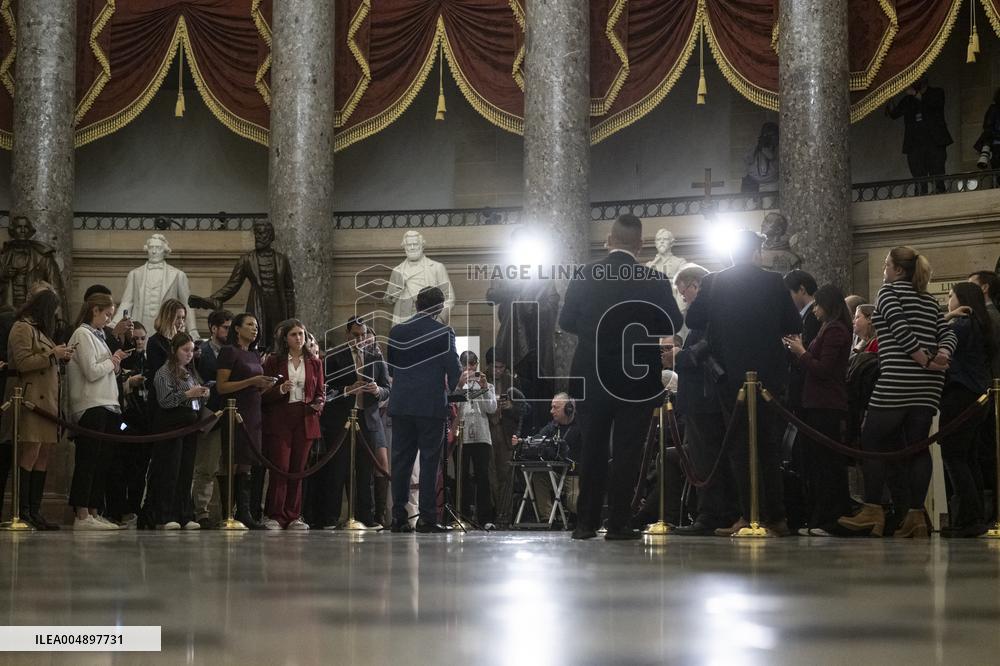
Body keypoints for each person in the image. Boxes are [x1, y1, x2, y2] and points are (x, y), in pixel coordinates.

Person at [560, 213, 682, 540]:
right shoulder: (654, 279)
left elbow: (567, 321)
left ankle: (585, 524)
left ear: (609, 240)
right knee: (628, 451)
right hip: (636, 376)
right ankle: (618, 524)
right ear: (641, 245)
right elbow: (670, 324)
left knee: (592, 448)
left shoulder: (586, 274)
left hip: (591, 372)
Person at [685, 229, 802, 537]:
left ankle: (747, 517)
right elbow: (794, 324)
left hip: (730, 378)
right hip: (769, 379)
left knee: (739, 450)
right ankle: (776, 518)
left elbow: (693, 321)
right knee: (769, 448)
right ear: (757, 253)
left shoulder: (713, 281)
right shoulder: (774, 282)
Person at [838, 247, 957, 538]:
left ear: (898, 270)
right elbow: (949, 332)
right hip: (928, 387)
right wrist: (940, 355)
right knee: (917, 447)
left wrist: (925, 360)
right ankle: (915, 515)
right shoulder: (929, 300)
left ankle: (872, 509)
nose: (883, 269)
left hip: (897, 382)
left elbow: (901, 330)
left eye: (886, 264)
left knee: (872, 441)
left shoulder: (889, 294)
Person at [670, 264, 738, 536]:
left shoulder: (706, 316)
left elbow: (703, 351)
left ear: (695, 284)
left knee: (705, 461)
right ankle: (716, 513)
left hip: (704, 399)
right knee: (707, 459)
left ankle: (710, 515)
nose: (682, 296)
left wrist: (679, 355)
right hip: (706, 399)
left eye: (683, 289)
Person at [387, 287, 461, 533]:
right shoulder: (444, 332)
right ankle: (427, 518)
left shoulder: (397, 330)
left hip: (401, 404)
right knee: (430, 463)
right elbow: (454, 368)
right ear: (439, 307)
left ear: (417, 305)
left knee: (400, 462)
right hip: (429, 405)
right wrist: (452, 388)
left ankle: (399, 516)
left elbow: (391, 366)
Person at [784, 285, 853, 536]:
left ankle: (830, 520)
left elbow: (823, 369)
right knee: (816, 463)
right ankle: (819, 518)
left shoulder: (835, 330)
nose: (814, 310)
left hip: (826, 405)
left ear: (828, 305)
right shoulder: (827, 328)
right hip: (816, 403)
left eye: (817, 305)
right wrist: (799, 350)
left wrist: (801, 351)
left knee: (826, 465)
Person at [3, 288, 73, 529]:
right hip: (30, 398)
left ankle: (35, 510)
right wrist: (53, 354)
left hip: (47, 402)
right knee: (30, 453)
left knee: (43, 455)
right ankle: (22, 511)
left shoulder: (40, 331)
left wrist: (59, 356)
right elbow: (22, 363)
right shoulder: (22, 328)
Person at [317, 317, 391, 530]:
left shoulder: (375, 357)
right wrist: (347, 390)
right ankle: (331, 518)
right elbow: (323, 389)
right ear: (347, 334)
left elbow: (387, 388)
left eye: (363, 335)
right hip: (340, 419)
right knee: (337, 468)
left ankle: (366, 518)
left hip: (367, 418)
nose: (360, 339)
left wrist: (377, 391)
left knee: (365, 469)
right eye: (355, 334)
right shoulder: (333, 357)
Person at [66, 292, 131, 530]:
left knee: (103, 462)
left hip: (107, 403)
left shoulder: (100, 336)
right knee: (88, 460)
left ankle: (93, 510)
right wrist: (112, 361)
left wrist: (115, 363)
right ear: (94, 310)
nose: (108, 319)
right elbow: (91, 371)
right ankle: (81, 513)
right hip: (90, 404)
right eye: (106, 314)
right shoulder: (82, 334)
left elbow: (105, 371)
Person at [188, 220, 295, 349]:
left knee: (278, 343)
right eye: (257, 234)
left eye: (263, 234)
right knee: (256, 341)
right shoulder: (247, 259)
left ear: (271, 236)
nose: (259, 237)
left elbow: (289, 291)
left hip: (278, 305)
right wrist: (212, 299)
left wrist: (291, 320)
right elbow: (233, 285)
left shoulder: (282, 259)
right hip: (257, 304)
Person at [215, 313, 278, 529]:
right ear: (237, 329)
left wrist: (263, 386)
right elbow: (222, 386)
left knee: (246, 463)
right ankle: (227, 513)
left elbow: (252, 385)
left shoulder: (253, 354)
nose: (255, 329)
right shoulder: (228, 351)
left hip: (253, 410)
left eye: (257, 326)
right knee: (232, 460)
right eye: (250, 325)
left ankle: (244, 512)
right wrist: (251, 380)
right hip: (235, 410)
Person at [939, 283, 992, 537]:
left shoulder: (961, 325)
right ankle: (975, 516)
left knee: (954, 456)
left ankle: (968, 519)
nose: (949, 301)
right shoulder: (980, 324)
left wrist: (947, 317)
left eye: (950, 296)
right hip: (977, 396)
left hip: (959, 396)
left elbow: (936, 341)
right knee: (969, 458)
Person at [260, 319, 324, 530]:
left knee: (298, 468)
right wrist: (279, 390)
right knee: (281, 466)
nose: (299, 338)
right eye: (294, 334)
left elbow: (320, 393)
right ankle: (275, 514)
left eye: (301, 334)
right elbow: (263, 394)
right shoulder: (274, 360)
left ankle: (293, 515)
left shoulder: (315, 362)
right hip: (281, 417)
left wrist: (318, 405)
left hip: (305, 417)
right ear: (285, 339)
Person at [145, 333, 209, 530]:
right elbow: (165, 400)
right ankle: (165, 514)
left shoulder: (189, 373)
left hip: (189, 424)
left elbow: (194, 399)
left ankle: (185, 513)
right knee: (169, 470)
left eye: (192, 350)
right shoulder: (164, 372)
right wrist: (189, 394)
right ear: (174, 351)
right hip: (171, 425)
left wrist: (202, 394)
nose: (189, 354)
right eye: (185, 350)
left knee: (185, 470)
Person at [512, 393, 583, 522]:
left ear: (569, 408)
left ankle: (581, 518)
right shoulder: (552, 426)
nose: (551, 411)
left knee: (574, 504)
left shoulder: (581, 427)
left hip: (575, 475)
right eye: (552, 407)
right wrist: (522, 442)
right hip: (556, 474)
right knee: (540, 475)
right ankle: (548, 519)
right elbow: (537, 439)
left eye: (555, 407)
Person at [191, 310, 232, 527]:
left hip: (232, 414)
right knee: (206, 465)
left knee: (229, 466)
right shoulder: (201, 350)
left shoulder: (234, 351)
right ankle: (202, 512)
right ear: (214, 328)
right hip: (209, 413)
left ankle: (228, 512)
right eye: (225, 327)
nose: (228, 331)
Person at [114, 234, 199, 338]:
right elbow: (126, 302)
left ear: (165, 250)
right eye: (151, 248)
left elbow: (187, 304)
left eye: (158, 248)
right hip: (140, 325)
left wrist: (192, 329)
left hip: (166, 326)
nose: (154, 251)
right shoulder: (135, 274)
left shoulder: (178, 275)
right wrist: (114, 324)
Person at [453, 351, 497, 529]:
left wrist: (485, 387)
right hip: (461, 437)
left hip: (482, 436)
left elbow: (491, 408)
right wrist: (459, 385)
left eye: (473, 365)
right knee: (461, 477)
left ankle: (485, 518)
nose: (470, 369)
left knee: (483, 477)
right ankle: (462, 516)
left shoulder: (488, 386)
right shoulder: (458, 385)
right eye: (466, 365)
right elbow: (452, 407)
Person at [886, 76, 952, 194]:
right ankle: (921, 196)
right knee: (918, 176)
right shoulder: (908, 100)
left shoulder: (937, 92)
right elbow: (894, 114)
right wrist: (889, 96)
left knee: (937, 172)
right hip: (915, 144)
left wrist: (916, 93)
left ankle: (939, 194)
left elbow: (934, 104)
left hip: (934, 142)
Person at [385, 231, 454, 324]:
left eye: (415, 244)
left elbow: (449, 298)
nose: (412, 247)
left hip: (430, 321)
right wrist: (394, 293)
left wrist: (439, 320)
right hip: (404, 322)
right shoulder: (397, 271)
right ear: (404, 247)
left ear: (422, 245)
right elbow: (387, 300)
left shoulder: (437, 268)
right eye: (409, 245)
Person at [0, 216, 67, 311]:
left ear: (30, 231)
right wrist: (3, 275)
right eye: (19, 227)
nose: (23, 230)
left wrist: (58, 315)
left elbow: (55, 286)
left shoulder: (43, 256)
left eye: (26, 227)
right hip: (8, 310)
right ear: (12, 231)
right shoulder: (3, 257)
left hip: (34, 310)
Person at [144, 298, 188, 406]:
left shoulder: (182, 340)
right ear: (168, 317)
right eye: (178, 318)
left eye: (183, 318)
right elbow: (160, 371)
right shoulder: (154, 342)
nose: (181, 322)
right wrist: (173, 343)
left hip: (181, 395)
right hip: (162, 398)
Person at [741, 121, 779, 193]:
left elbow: (772, 158)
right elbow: (748, 159)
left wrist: (764, 148)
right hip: (753, 182)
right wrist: (757, 146)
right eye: (766, 135)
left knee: (768, 203)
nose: (768, 138)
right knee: (749, 204)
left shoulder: (779, 146)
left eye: (771, 135)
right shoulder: (755, 144)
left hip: (770, 183)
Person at [973, 88, 1000, 169]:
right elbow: (988, 128)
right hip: (997, 145)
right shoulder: (994, 109)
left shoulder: (994, 109)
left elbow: (988, 127)